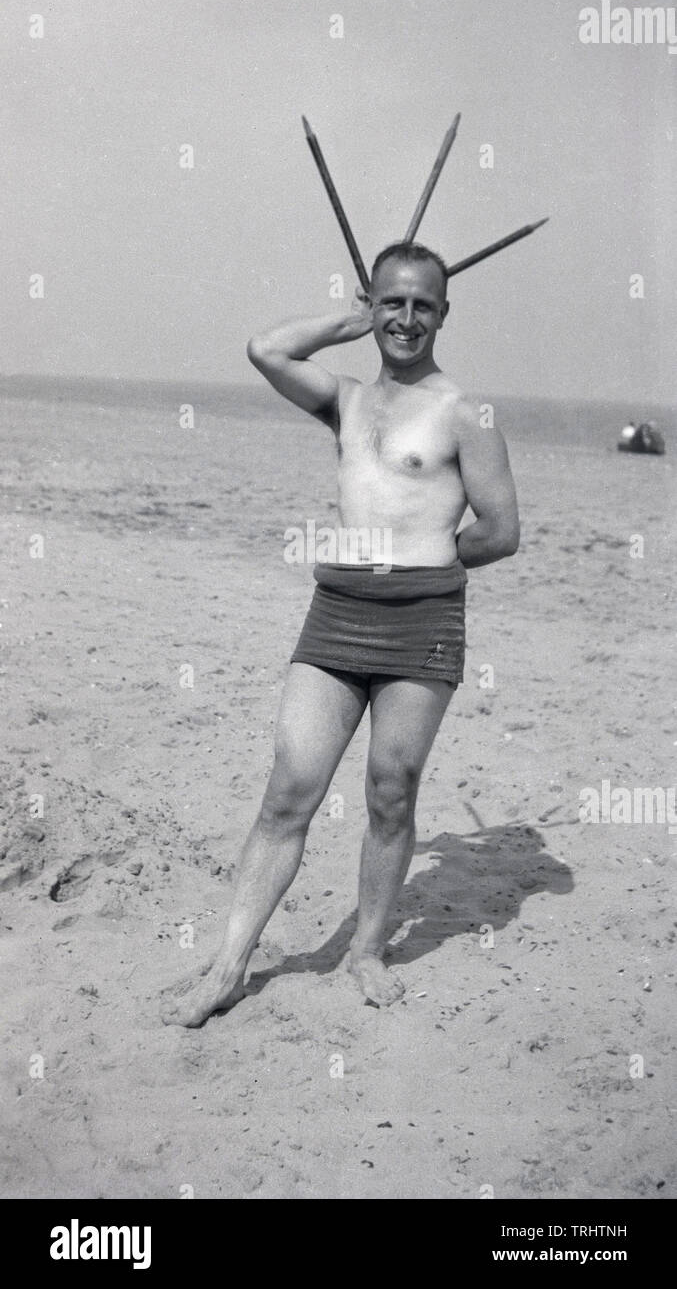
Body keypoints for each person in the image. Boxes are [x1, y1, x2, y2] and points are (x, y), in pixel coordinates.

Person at [162, 241, 519, 1026]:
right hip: (335, 613)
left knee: (390, 794)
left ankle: (364, 951)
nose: (405, 317)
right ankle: (227, 966)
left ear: (444, 315)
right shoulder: (346, 399)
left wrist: (424, 562)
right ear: (373, 305)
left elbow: (500, 531)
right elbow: (267, 349)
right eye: (391, 302)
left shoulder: (465, 414)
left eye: (422, 304)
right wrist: (346, 321)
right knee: (290, 789)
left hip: (423, 622)